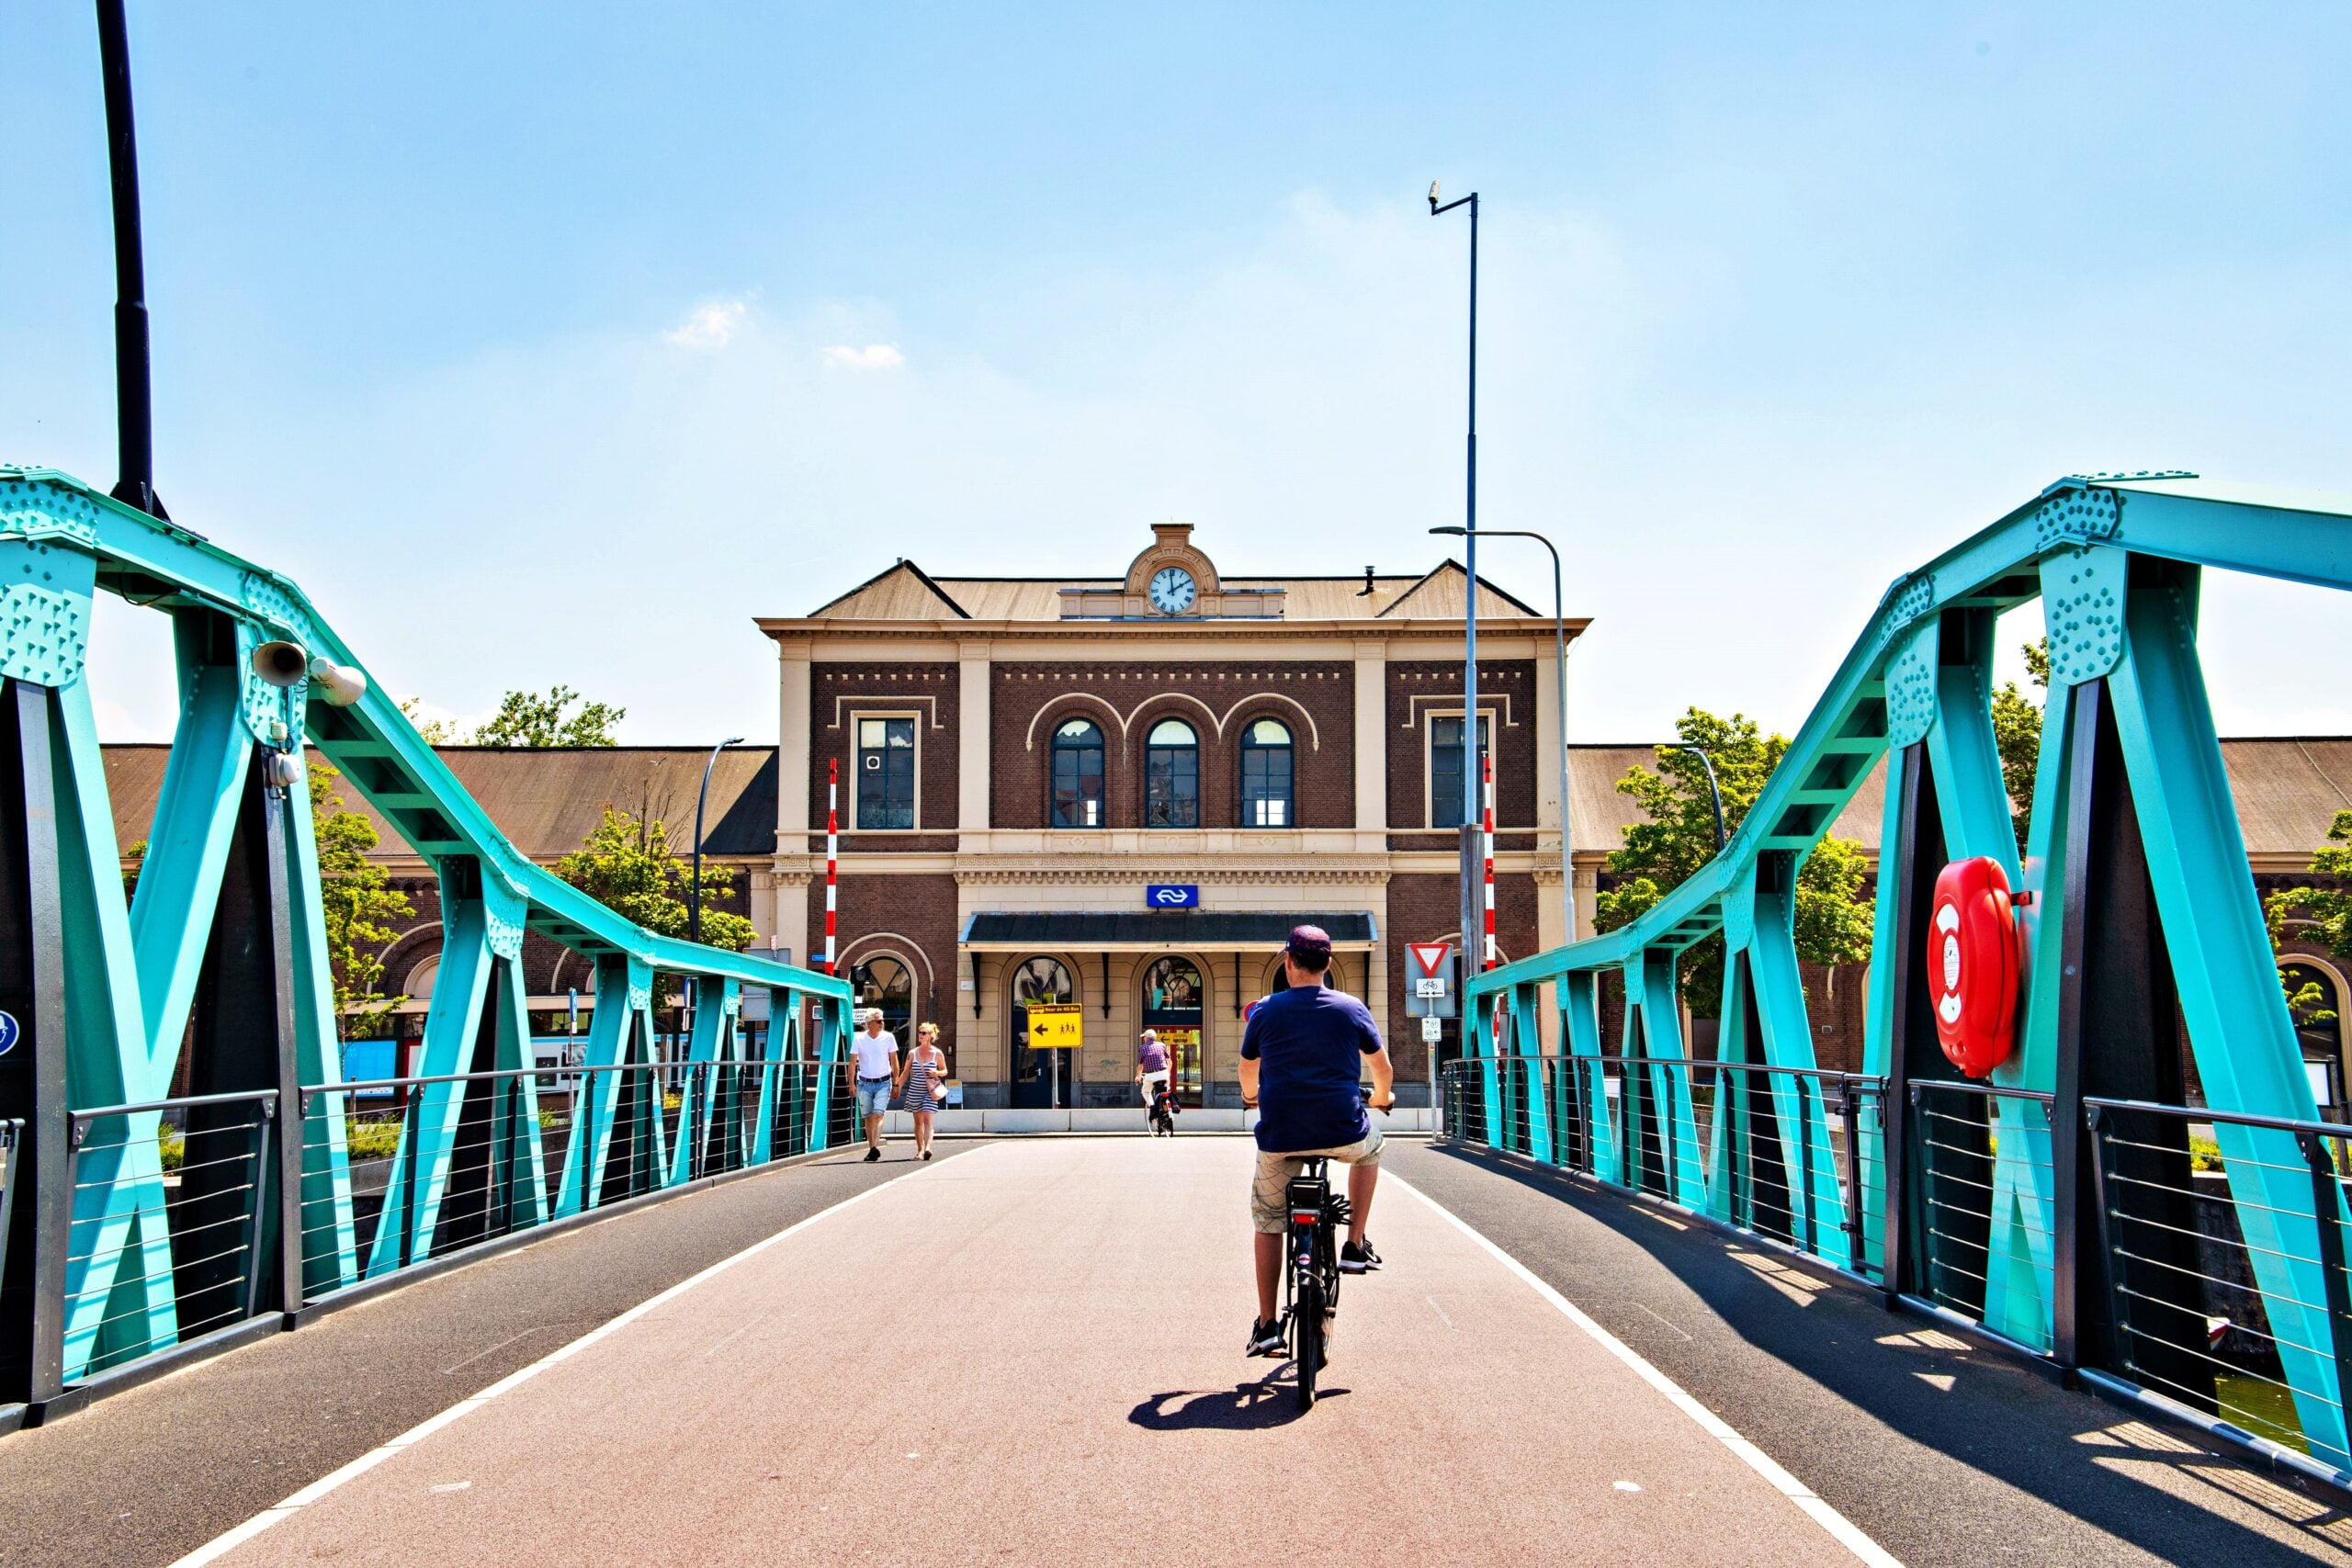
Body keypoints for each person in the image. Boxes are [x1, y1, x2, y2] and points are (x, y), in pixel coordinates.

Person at [1238, 924, 1395, 1357]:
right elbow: (1382, 1070)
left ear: (1288, 962)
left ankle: (1267, 1325)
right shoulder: (1351, 1008)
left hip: (1280, 1136)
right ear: (1328, 964)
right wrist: (1381, 1099)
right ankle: (1355, 1245)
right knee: (1373, 1149)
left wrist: (1252, 1098)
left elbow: (1248, 1070)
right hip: (1343, 1130)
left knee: (1269, 1220)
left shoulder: (1265, 1011)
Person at [850, 1008, 899, 1162]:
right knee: (868, 1117)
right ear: (869, 1023)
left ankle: (875, 1147)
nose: (882, 1023)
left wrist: (896, 1083)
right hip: (864, 1082)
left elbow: (894, 1061)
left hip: (884, 1082)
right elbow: (852, 1063)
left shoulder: (888, 1037)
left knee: (878, 1114)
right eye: (878, 1021)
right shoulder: (859, 1039)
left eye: (882, 1020)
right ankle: (872, 1148)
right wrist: (851, 1084)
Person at [897, 1021, 948, 1161]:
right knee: (918, 1122)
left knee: (928, 1119)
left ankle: (928, 1148)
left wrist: (937, 1072)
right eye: (919, 1032)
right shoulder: (912, 1053)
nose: (920, 1035)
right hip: (915, 1091)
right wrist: (898, 1087)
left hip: (930, 1092)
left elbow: (945, 1071)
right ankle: (920, 1150)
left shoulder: (937, 1053)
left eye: (924, 1033)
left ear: (931, 1036)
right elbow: (905, 1073)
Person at [1136, 1028, 1172, 1118]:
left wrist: (1138, 1077)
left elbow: (1141, 1066)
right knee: (1166, 1091)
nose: (1144, 1039)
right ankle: (1167, 1109)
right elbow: (1170, 1063)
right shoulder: (1162, 1045)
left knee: (1145, 1092)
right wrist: (1167, 1074)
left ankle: (1153, 1108)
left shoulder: (1142, 1048)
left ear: (1147, 1038)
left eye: (1144, 1037)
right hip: (1164, 1073)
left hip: (1151, 1075)